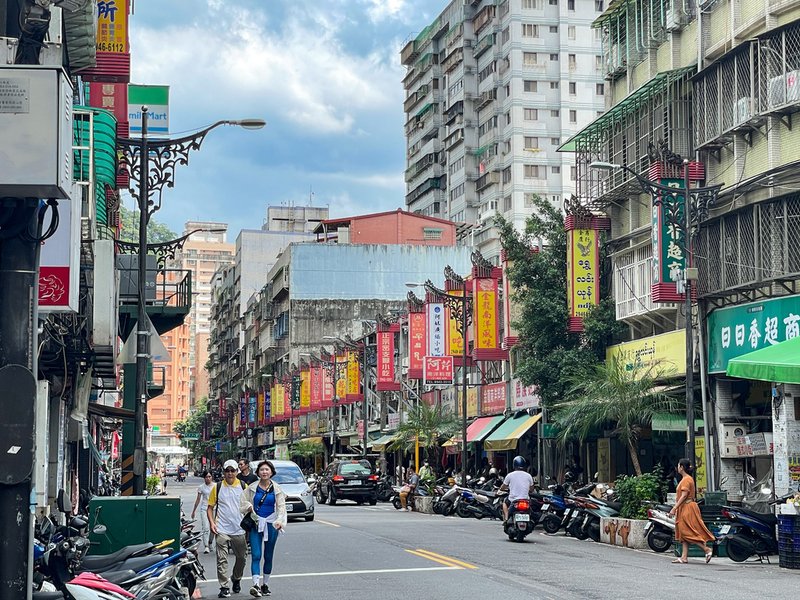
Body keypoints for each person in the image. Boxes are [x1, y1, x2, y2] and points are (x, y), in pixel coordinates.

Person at [240, 460, 287, 597]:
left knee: (268, 556)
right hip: (256, 524)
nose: (264, 472)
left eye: (267, 470)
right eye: (262, 470)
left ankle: (265, 584)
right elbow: (242, 501)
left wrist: (280, 521)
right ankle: (255, 585)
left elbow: (281, 507)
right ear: (258, 472)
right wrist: (249, 507)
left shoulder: (277, 489)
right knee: (256, 555)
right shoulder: (252, 488)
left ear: (271, 472)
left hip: (272, 525)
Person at [208, 459, 248, 598]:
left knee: (241, 558)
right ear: (224, 472)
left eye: (233, 470)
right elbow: (210, 507)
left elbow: (250, 506)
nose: (230, 473)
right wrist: (212, 523)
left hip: (239, 529)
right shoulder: (218, 487)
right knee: (221, 559)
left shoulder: (243, 486)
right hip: (222, 529)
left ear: (237, 471)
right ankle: (224, 586)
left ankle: (236, 578)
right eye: (227, 471)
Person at [669, 458, 714, 564]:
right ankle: (684, 557)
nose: (677, 467)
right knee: (684, 532)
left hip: (688, 507)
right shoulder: (686, 479)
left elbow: (684, 495)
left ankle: (707, 549)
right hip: (686, 507)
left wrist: (674, 508)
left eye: (679, 465)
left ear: (682, 467)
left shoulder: (686, 480)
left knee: (687, 531)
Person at [499, 456, 535, 522]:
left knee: (504, 502)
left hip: (513, 500)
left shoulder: (510, 475)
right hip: (526, 499)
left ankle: (506, 518)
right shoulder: (528, 476)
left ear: (514, 465)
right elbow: (532, 489)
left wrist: (502, 489)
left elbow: (503, 487)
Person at [191, 471, 215, 553]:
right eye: (206, 477)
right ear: (204, 478)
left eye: (209, 476)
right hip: (204, 508)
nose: (208, 478)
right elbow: (198, 499)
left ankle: (210, 542)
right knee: (206, 527)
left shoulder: (216, 486)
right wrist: (194, 511)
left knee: (213, 528)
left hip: (214, 509)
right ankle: (206, 546)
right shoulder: (201, 487)